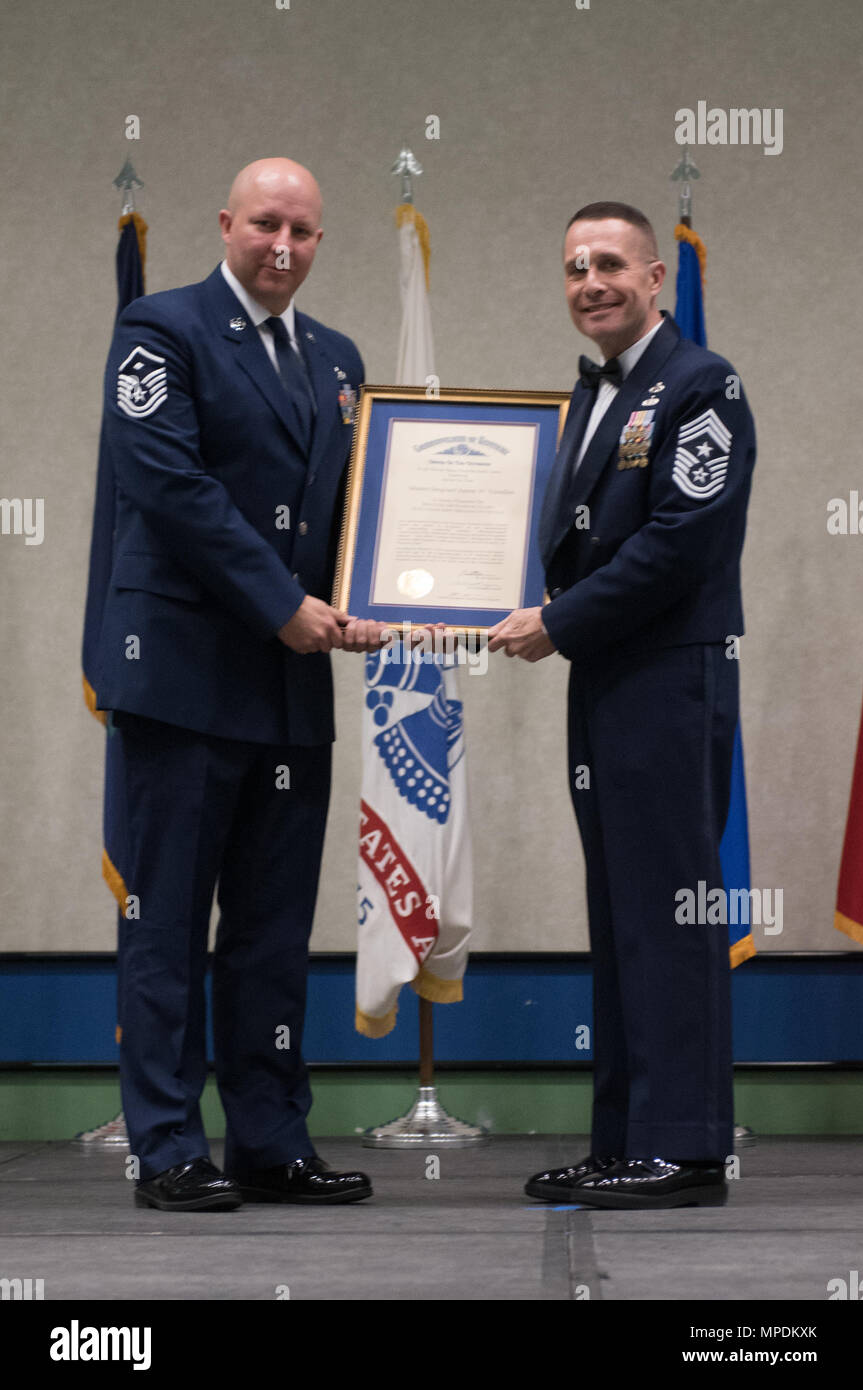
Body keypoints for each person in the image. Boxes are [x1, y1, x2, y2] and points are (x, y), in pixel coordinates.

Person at [88, 158, 386, 1211]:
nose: (282, 247)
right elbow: (167, 481)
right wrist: (281, 602)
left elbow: (357, 511)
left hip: (291, 690)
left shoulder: (340, 362)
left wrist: (396, 590)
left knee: (270, 930)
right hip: (181, 680)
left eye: (303, 231)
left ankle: (269, 1135)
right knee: (165, 922)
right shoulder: (159, 331)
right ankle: (167, 1142)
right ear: (225, 222)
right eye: (265, 223)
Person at [489, 202, 755, 1209]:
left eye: (609, 264)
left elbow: (681, 542)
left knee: (672, 911)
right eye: (572, 267)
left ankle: (684, 1149)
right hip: (605, 678)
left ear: (656, 278)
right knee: (622, 913)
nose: (589, 281)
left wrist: (558, 621)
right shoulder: (594, 392)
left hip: (668, 679)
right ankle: (623, 1140)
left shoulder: (702, 384)